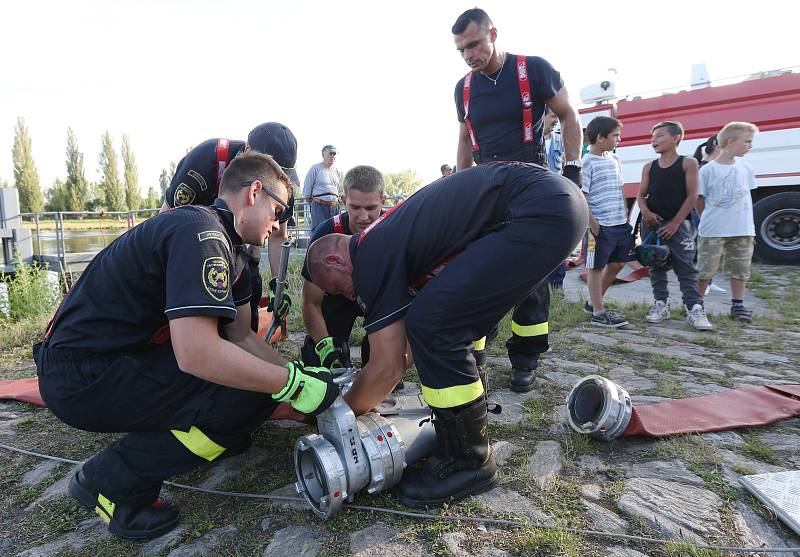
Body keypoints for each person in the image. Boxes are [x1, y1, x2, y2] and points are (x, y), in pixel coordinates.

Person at [35, 152, 337, 541]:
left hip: (113, 359)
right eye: (277, 211)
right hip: (81, 374)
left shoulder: (231, 249)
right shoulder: (202, 234)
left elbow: (242, 336)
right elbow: (197, 353)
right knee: (245, 399)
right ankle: (113, 481)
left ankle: (184, 437)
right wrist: (291, 387)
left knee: (249, 399)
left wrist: (294, 373)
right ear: (255, 192)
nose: (278, 225)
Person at [305, 162, 587, 509]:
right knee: (440, 317)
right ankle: (462, 433)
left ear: (336, 259)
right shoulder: (388, 241)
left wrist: (344, 414)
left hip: (537, 209)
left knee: (434, 323)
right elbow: (404, 354)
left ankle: (469, 461)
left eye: (342, 290)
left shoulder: (370, 254)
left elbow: (387, 367)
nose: (352, 299)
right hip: (548, 203)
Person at [452, 8, 584, 391]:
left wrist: (572, 173)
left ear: (493, 33)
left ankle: (526, 358)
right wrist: (459, 191)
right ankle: (474, 353)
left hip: (531, 182)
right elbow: (463, 140)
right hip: (484, 187)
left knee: (531, 279)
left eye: (474, 44)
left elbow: (570, 116)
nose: (469, 55)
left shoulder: (534, 69)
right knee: (477, 271)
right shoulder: (463, 88)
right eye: (461, 50)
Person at [162, 123, 301, 331]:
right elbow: (166, 220)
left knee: (250, 284)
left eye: (278, 174)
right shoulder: (205, 161)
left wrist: (278, 284)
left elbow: (278, 236)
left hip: (242, 240)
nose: (270, 178)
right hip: (193, 239)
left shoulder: (280, 185)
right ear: (246, 149)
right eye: (266, 169)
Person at [300, 165, 386, 368]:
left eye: (371, 208)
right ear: (344, 201)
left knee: (382, 358)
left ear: (383, 202)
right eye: (355, 208)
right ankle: (335, 351)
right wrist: (325, 348)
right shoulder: (327, 232)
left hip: (380, 298)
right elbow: (310, 302)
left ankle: (374, 354)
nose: (363, 217)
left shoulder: (394, 229)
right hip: (340, 299)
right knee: (317, 358)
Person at [637, 121, 710, 330]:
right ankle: (661, 304)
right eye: (653, 137)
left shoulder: (688, 163)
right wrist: (646, 212)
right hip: (653, 224)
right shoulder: (649, 167)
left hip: (680, 225)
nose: (654, 140)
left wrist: (676, 223)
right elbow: (642, 196)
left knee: (686, 267)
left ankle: (694, 307)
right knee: (656, 266)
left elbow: (692, 196)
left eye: (660, 136)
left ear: (676, 137)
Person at [697, 122, 760, 322]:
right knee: (706, 268)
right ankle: (696, 303)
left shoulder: (746, 168)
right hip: (713, 230)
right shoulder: (708, 170)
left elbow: (745, 196)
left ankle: (738, 305)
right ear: (731, 141)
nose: (750, 145)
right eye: (747, 141)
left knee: (740, 268)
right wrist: (706, 219)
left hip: (743, 229)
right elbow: (699, 199)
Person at [582, 116, 633, 327]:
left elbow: (619, 188)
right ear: (601, 137)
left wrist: (626, 216)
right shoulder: (587, 162)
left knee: (618, 263)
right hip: (600, 225)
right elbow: (582, 195)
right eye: (615, 135)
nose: (619, 139)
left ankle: (593, 302)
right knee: (596, 267)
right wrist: (593, 224)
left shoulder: (615, 159)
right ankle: (598, 312)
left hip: (619, 223)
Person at [692, 134, 726, 295]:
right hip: (702, 214)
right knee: (703, 249)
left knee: (710, 249)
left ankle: (708, 282)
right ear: (716, 145)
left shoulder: (711, 166)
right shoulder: (704, 168)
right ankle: (701, 283)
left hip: (710, 214)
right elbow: (698, 198)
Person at [303, 145, 342, 229]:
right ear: (323, 154)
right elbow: (307, 191)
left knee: (336, 232)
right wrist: (314, 204)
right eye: (330, 153)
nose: (332, 156)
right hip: (319, 207)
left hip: (335, 207)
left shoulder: (337, 171)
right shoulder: (315, 168)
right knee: (319, 233)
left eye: (334, 154)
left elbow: (336, 189)